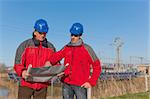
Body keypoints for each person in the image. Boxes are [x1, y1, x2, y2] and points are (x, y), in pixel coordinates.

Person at [50, 23, 101, 99]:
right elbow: (54, 58)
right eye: (72, 34)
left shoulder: (87, 49)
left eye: (75, 35)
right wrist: (57, 68)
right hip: (66, 83)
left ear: (80, 35)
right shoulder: (66, 47)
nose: (73, 37)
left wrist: (91, 82)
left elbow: (97, 66)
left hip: (81, 85)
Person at [14, 19, 56, 99]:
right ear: (35, 32)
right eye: (40, 33)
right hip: (26, 84)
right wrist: (22, 72)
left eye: (45, 33)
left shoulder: (51, 47)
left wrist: (58, 71)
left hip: (42, 86)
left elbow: (56, 63)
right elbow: (17, 63)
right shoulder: (25, 45)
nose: (43, 35)